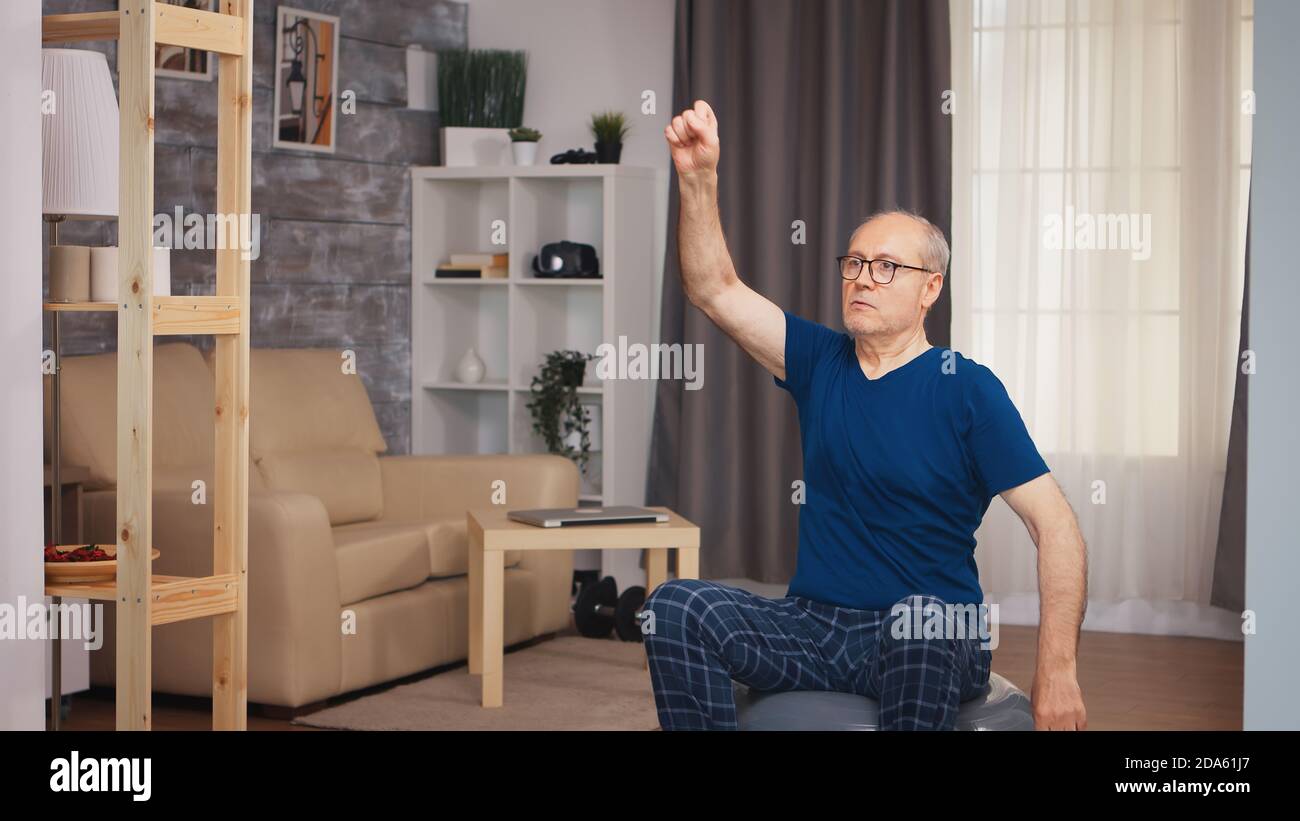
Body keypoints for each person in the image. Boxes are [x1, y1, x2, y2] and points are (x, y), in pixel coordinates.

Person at [643, 99, 1088, 730]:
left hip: (930, 629)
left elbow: (1057, 527)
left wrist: (1058, 667)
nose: (862, 279)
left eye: (886, 267)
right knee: (676, 606)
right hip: (815, 625)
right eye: (854, 264)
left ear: (930, 288)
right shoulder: (820, 360)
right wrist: (697, 177)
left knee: (919, 625)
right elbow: (714, 288)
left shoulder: (966, 390)